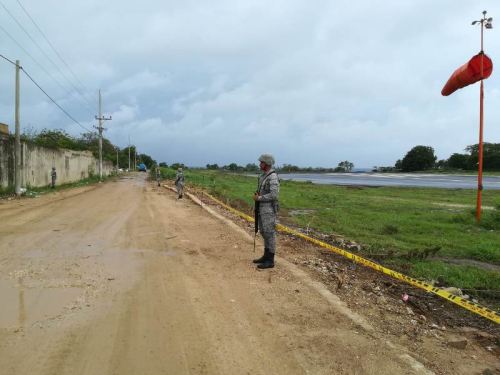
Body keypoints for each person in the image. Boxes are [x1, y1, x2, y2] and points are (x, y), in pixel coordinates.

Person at [253, 154, 280, 269]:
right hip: (262, 209)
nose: (260, 164)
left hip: (268, 210)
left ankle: (270, 260)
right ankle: (265, 255)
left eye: (261, 162)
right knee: (264, 233)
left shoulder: (272, 177)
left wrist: (259, 198)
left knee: (270, 234)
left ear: (267, 163)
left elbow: (274, 194)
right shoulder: (264, 175)